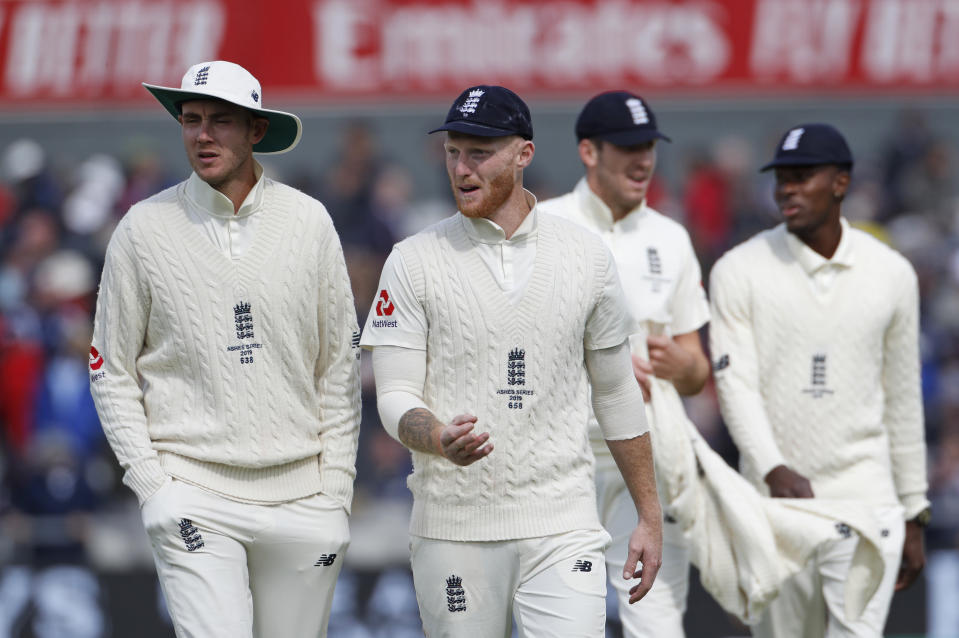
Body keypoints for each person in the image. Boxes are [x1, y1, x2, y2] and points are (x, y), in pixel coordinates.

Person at [360, 85, 662, 637]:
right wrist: (436, 439)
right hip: (452, 529)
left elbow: (617, 393)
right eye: (453, 151)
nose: (461, 167)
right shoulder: (412, 260)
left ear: (523, 154)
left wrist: (648, 513)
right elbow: (395, 393)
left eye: (480, 152)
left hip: (563, 523)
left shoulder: (587, 257)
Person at [89, 60, 361, 638]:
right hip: (192, 491)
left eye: (220, 121)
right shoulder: (142, 228)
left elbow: (338, 365)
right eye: (190, 120)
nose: (202, 135)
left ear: (256, 130)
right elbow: (109, 369)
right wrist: (152, 486)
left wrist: (336, 489)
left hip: (304, 494)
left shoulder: (309, 222)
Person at [709, 123, 930, 637]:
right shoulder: (738, 270)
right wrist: (772, 467)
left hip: (864, 493)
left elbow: (902, 397)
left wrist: (915, 510)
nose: (787, 188)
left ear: (841, 182)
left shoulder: (891, 273)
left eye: (802, 176)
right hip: (773, 503)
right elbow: (734, 384)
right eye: (781, 178)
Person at [538, 90, 710, 638]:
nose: (643, 160)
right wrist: (601, 367)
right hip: (558, 461)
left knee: (657, 626)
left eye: (650, 147)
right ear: (589, 151)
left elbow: (699, 371)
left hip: (647, 460)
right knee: (566, 626)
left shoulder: (671, 237)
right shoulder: (542, 226)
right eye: (628, 147)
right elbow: (512, 348)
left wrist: (682, 364)